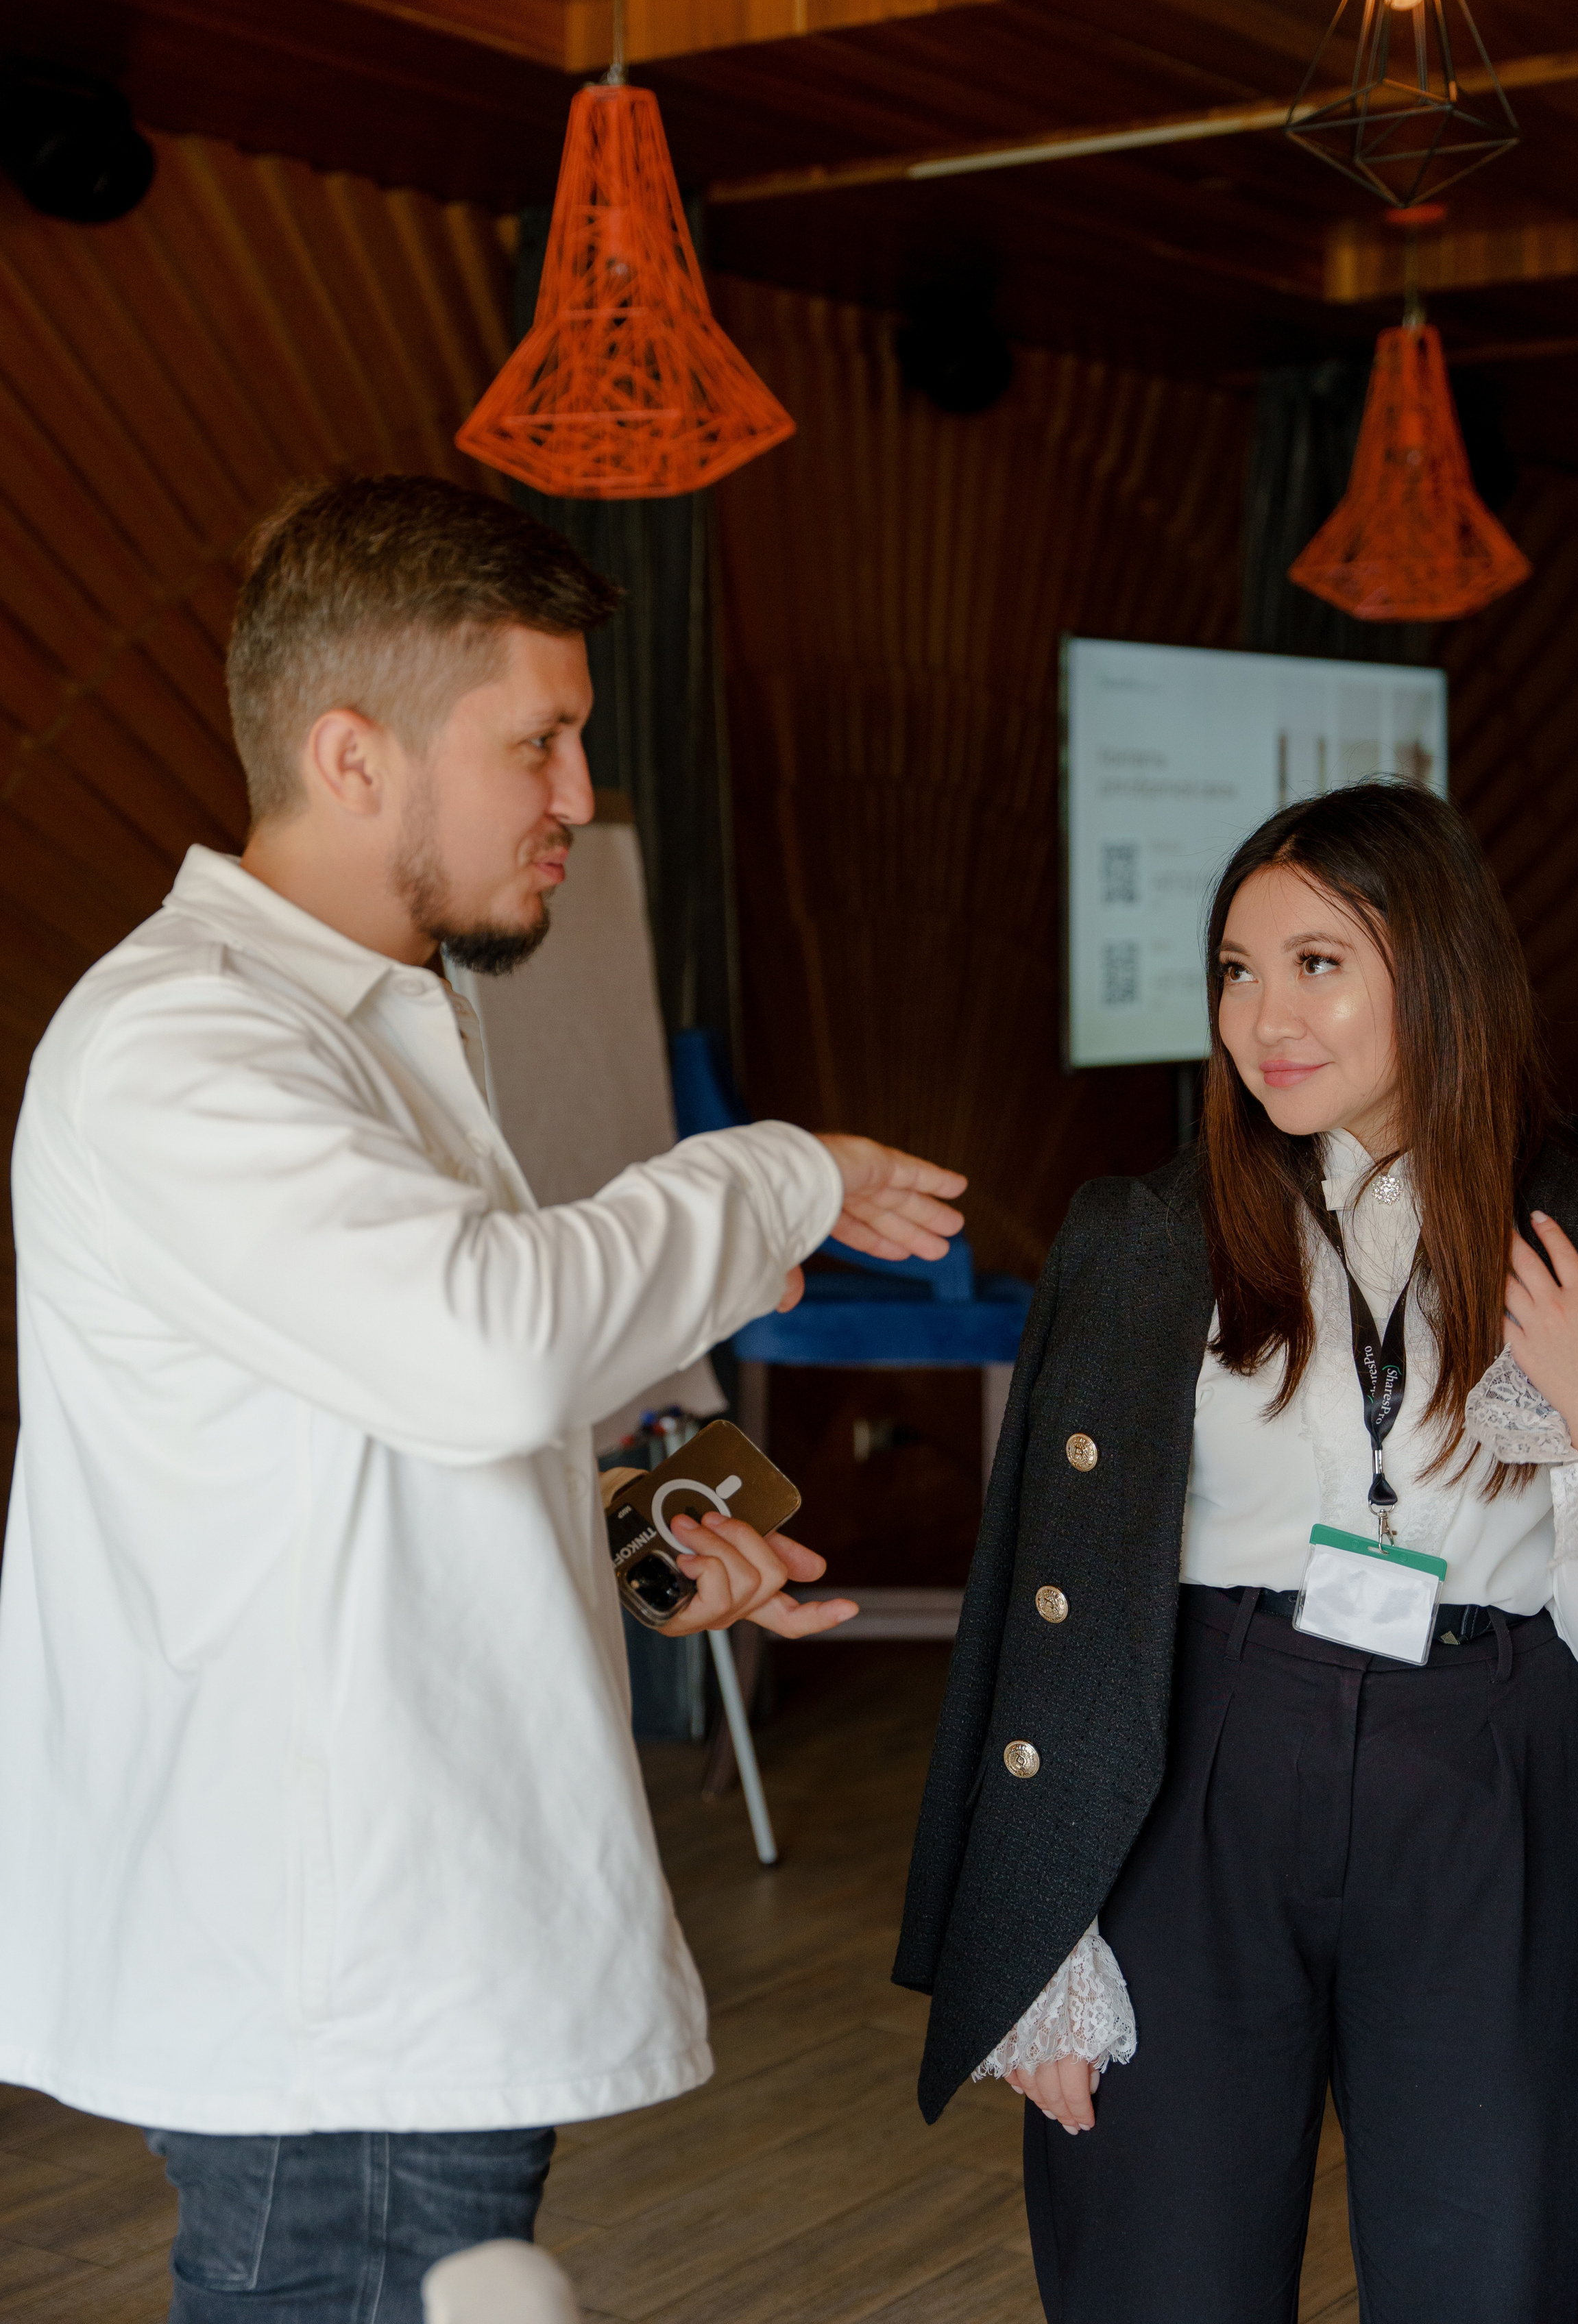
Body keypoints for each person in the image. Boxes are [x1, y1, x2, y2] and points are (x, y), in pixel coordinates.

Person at [0, 476, 967, 2322]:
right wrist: (767, 1174)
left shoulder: (368, 1023)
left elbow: (385, 1442)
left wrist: (644, 1524)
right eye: (540, 743)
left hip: (413, 1933)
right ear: (353, 755)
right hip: (334, 1969)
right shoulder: (187, 1043)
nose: (582, 802)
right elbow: (487, 1345)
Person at [895, 781, 1578, 2324]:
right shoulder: (1143, 1230)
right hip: (1191, 1761)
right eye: (1235, 968)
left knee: (1492, 2267)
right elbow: (1042, 1608)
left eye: (1316, 963)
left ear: (1433, 972)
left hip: (1493, 1766)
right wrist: (1036, 1935)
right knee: (1158, 2270)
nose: (1263, 1017)